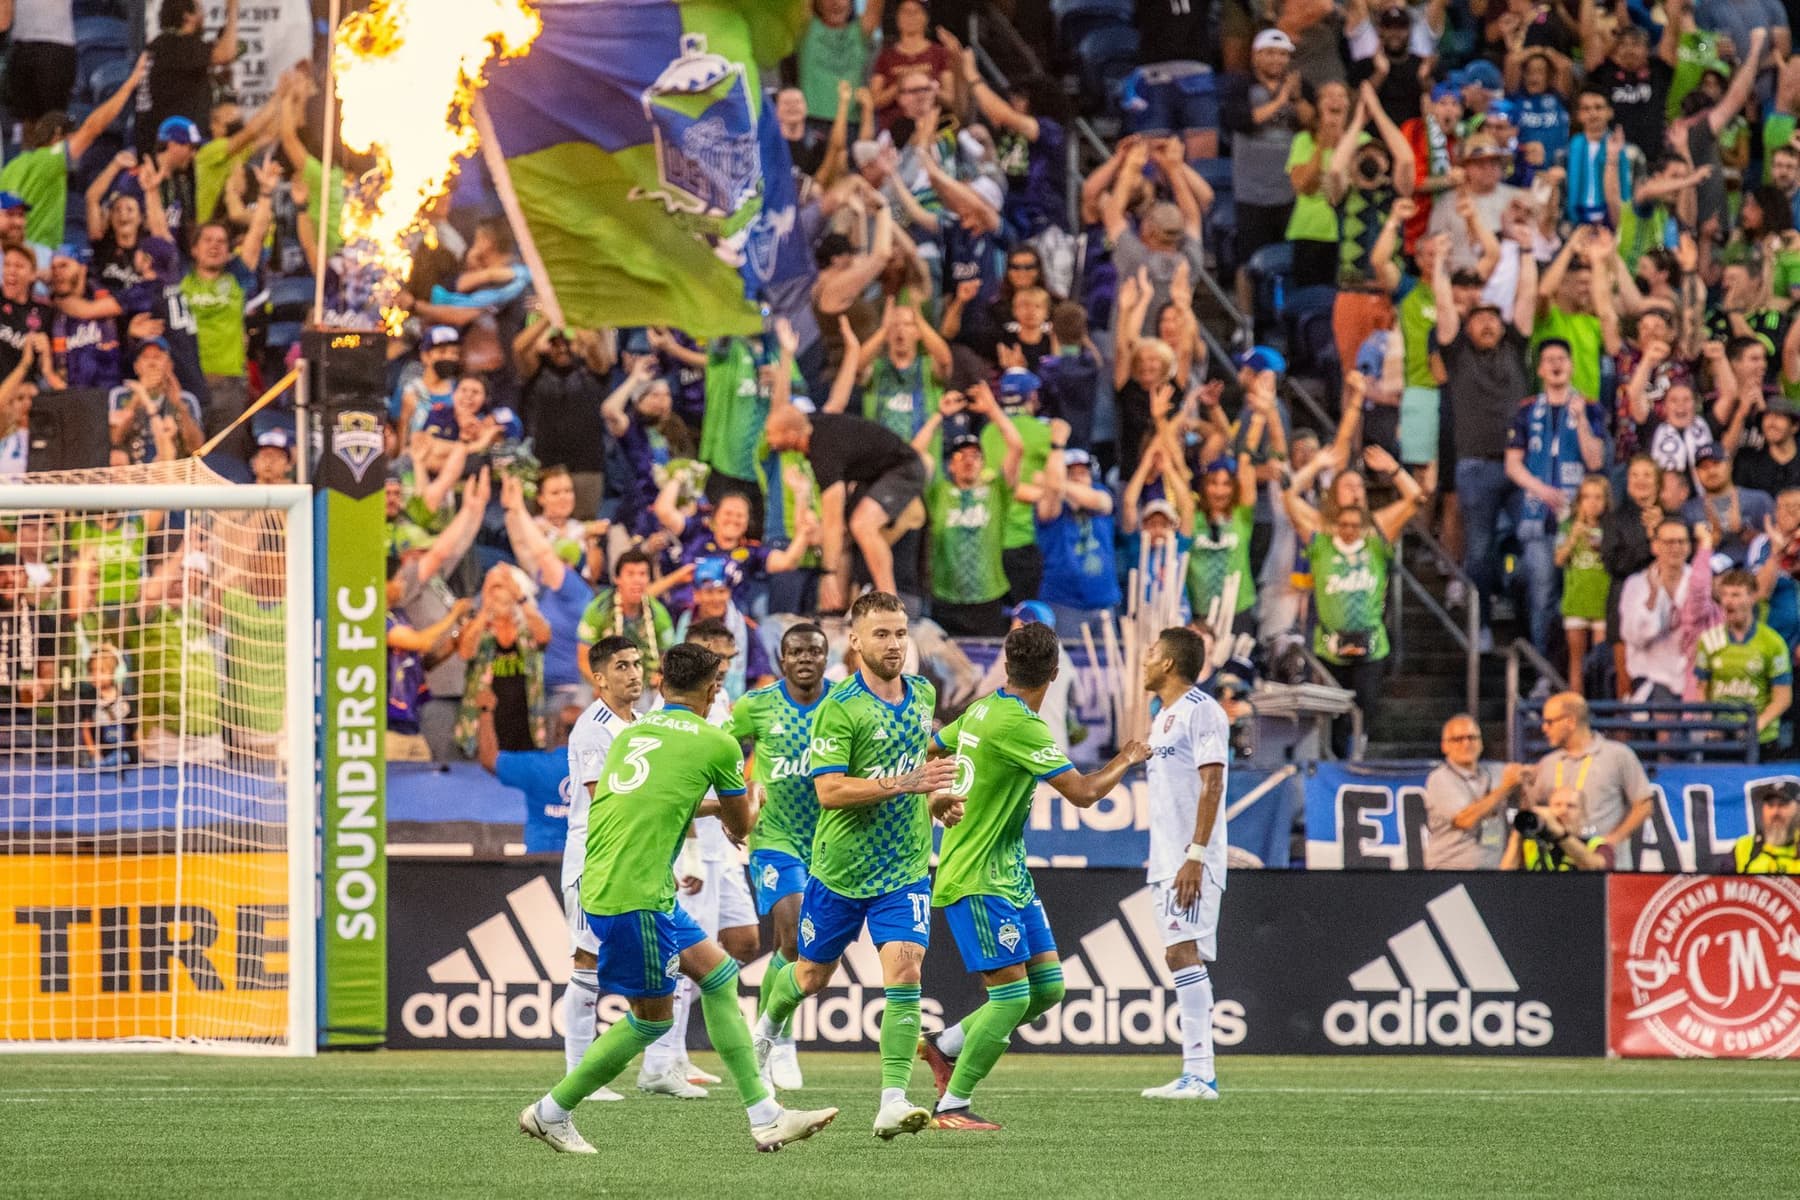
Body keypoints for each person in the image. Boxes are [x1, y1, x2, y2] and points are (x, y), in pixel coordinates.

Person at [519, 643, 837, 1155]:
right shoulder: (717, 742)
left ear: (661, 684)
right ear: (713, 689)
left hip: (616, 881)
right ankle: (551, 1112)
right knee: (651, 1020)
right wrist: (751, 798)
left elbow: (660, 798)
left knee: (718, 973)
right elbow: (740, 826)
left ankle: (765, 1115)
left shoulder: (632, 733)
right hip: (636, 893)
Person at [916, 622, 1151, 1129]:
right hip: (977, 876)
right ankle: (952, 1105)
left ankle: (946, 1045)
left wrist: (938, 795)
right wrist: (1128, 757)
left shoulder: (981, 709)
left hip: (1009, 875)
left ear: (1006, 666)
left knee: (1047, 989)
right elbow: (1085, 793)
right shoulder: (1020, 724)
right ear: (1055, 673)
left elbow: (934, 749)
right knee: (1011, 997)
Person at [753, 591, 957, 1140]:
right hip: (841, 871)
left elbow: (921, 769)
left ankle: (893, 1099)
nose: (893, 644)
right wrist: (906, 784)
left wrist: (936, 800)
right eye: (882, 634)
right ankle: (768, 1027)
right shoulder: (839, 707)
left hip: (905, 868)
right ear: (856, 641)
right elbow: (830, 790)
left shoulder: (921, 693)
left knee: (906, 967)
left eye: (899, 633)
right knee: (812, 975)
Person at [638, 620, 765, 1098]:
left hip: (723, 845)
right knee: (690, 959)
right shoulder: (670, 711)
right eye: (720, 657)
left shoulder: (722, 702)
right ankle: (659, 1061)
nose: (727, 667)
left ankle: (678, 1055)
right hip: (696, 847)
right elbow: (674, 786)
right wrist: (687, 852)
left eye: (732, 658)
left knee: (743, 940)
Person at [1126, 626, 1230, 1100]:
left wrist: (1196, 855)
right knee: (1177, 952)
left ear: (1168, 663)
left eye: (1151, 653)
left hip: (1189, 859)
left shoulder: (1202, 710)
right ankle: (1196, 1073)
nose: (1145, 660)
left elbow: (1213, 784)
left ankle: (1200, 1074)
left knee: (1181, 952)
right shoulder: (1162, 717)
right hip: (1167, 859)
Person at [731, 622, 830, 1092]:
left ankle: (766, 1029)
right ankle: (781, 1040)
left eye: (814, 650)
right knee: (790, 935)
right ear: (782, 659)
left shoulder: (844, 702)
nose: (805, 658)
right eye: (796, 651)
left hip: (831, 842)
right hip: (775, 839)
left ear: (826, 657)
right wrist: (737, 799)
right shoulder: (757, 705)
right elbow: (717, 744)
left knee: (798, 950)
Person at [1282, 436, 1426, 757]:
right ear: (1333, 493)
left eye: (1359, 486)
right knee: (1332, 718)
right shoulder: (1320, 534)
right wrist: (1317, 465)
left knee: (1365, 713)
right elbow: (1289, 495)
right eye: (1347, 485)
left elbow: (1416, 498)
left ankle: (1359, 757)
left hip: (1371, 644)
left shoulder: (1378, 531)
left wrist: (1394, 469)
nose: (1355, 491)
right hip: (1328, 644)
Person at [558, 636, 645, 1105]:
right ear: (600, 678)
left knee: (640, 968)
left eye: (637, 663)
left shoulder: (646, 724)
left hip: (630, 860)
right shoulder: (594, 727)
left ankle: (661, 1063)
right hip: (593, 861)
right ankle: (579, 1075)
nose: (633, 673)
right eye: (622, 665)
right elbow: (605, 797)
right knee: (586, 960)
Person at [764, 405, 928, 609]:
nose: (768, 440)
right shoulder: (810, 428)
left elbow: (833, 518)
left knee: (862, 524)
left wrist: (828, 573)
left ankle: (889, 602)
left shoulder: (824, 452)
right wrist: (801, 495)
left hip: (903, 469)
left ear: (790, 434)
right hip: (874, 477)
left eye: (771, 434)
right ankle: (836, 608)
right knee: (839, 536)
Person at [0, 53, 147, 250]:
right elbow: (92, 128)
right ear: (59, 135)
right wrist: (131, 83)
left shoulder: (12, 167)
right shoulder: (49, 161)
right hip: (37, 258)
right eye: (71, 135)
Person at [914, 389, 1023, 637]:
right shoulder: (938, 492)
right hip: (945, 597)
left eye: (976, 455)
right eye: (961, 455)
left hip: (987, 597)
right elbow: (915, 454)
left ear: (983, 463)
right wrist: (939, 415)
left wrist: (993, 410)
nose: (969, 460)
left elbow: (1016, 447)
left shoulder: (997, 491)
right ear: (950, 464)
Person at [1532, 692, 1654, 870]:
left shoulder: (1617, 755)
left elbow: (1644, 805)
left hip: (1606, 868)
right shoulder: (1548, 763)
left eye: (1550, 722)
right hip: (1558, 869)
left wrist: (1613, 840)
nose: (1544, 728)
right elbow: (1535, 809)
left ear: (1570, 721)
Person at [1695, 569, 1793, 751]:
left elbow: (1783, 696)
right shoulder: (1708, 640)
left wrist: (1759, 724)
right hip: (1720, 738)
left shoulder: (1773, 642)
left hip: (1762, 740)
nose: (1728, 601)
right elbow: (1702, 689)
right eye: (1724, 595)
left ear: (1753, 597)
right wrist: (1708, 721)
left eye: (1736, 594)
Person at [1422, 715, 1523, 870]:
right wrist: (1505, 788)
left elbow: (1527, 774)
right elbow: (1465, 820)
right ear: (1444, 746)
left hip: (1494, 872)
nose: (1466, 744)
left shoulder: (1495, 771)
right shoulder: (1440, 778)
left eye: (1472, 738)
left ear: (1481, 743)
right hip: (1450, 870)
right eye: (1458, 739)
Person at [576, 549, 675, 699]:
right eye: (630, 574)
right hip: (602, 684)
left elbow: (667, 656)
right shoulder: (598, 609)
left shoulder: (658, 613)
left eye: (642, 574)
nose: (637, 580)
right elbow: (583, 658)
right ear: (617, 578)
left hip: (645, 687)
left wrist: (661, 675)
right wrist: (602, 686)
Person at [1556, 474, 1612, 692]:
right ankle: (1575, 708)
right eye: (1587, 497)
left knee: (1600, 662)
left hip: (1602, 603)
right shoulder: (1567, 526)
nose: (1592, 503)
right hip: (1576, 601)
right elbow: (1558, 559)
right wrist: (1573, 537)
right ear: (1579, 501)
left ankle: (1600, 711)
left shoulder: (1610, 527)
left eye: (1598, 497)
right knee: (1576, 662)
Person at [1501, 786, 1607, 871]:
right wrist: (1519, 831)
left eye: (1571, 806)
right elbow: (1504, 880)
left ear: (1583, 814)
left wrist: (1559, 833)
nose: (1563, 811)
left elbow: (1596, 869)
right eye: (1557, 805)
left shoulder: (1597, 845)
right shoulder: (1532, 845)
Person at [1727, 781, 1800, 873]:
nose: (1775, 812)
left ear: (1798, 809)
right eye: (1770, 805)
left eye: (1782, 805)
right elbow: (1721, 883)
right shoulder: (1744, 847)